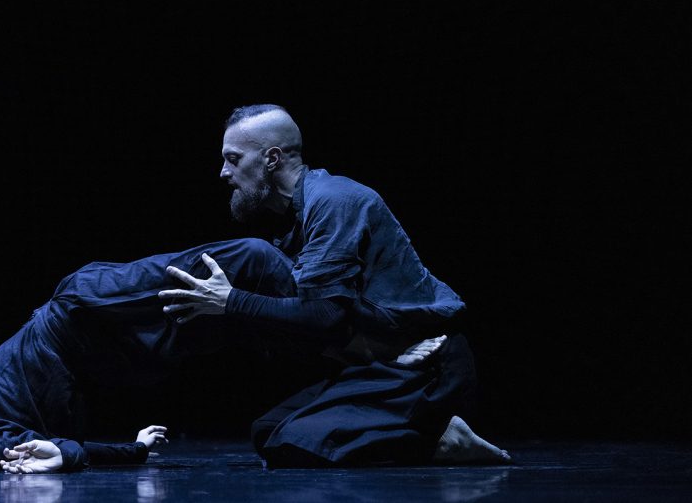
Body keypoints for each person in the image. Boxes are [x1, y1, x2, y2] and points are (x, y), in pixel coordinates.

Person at [159, 104, 510, 467]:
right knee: (267, 430)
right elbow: (324, 325)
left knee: (292, 442)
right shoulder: (297, 220)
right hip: (387, 362)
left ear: (271, 159)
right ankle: (427, 434)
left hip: (429, 365)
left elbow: (325, 314)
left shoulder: (333, 200)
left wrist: (230, 300)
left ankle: (441, 439)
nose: (224, 172)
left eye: (233, 159)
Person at [0, 237, 302, 472]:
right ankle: (314, 299)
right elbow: (59, 452)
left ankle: (307, 308)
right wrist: (131, 450)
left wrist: (125, 450)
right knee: (238, 261)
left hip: (97, 338)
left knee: (206, 315)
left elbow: (54, 448)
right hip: (82, 316)